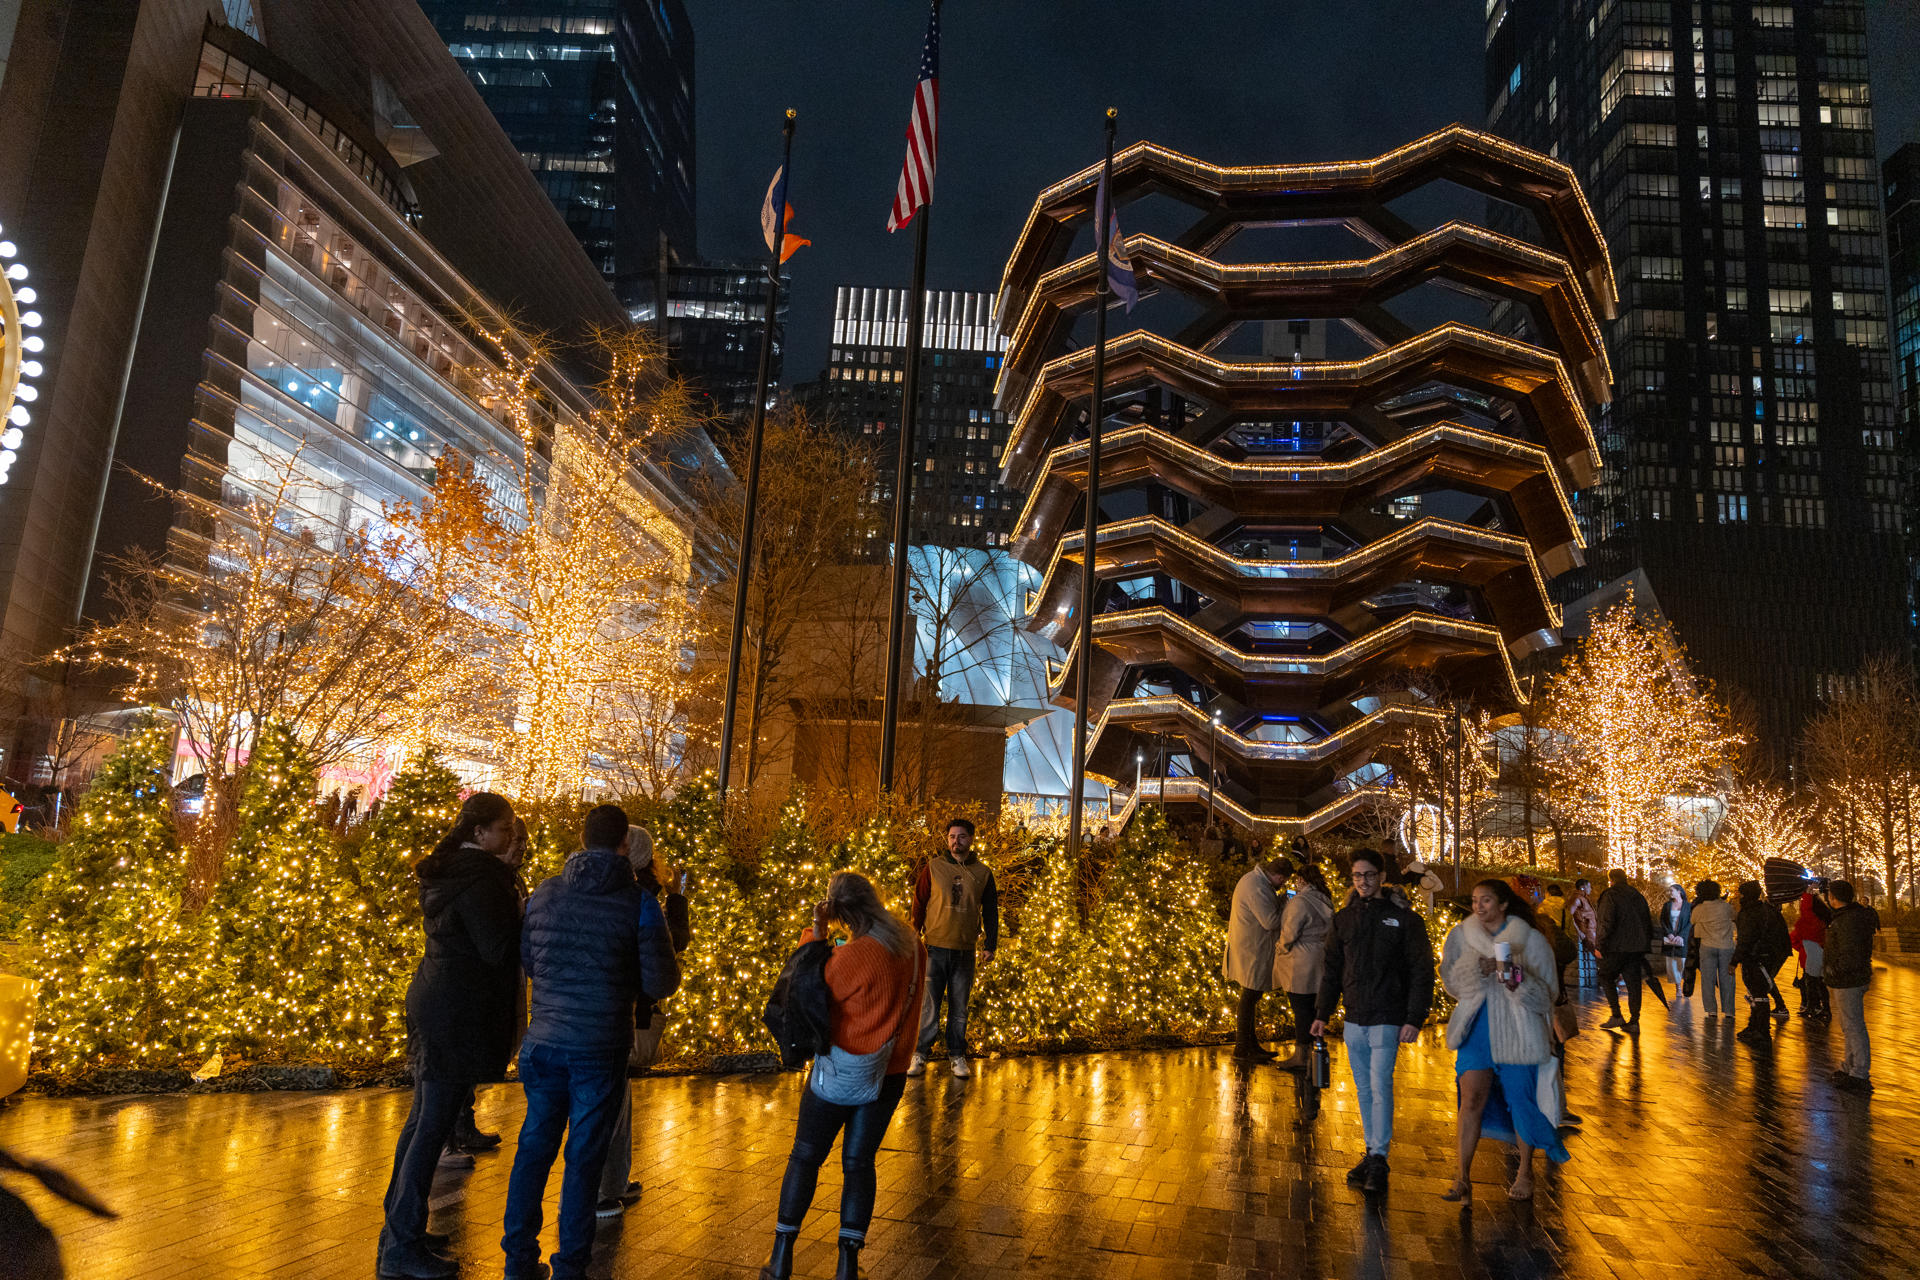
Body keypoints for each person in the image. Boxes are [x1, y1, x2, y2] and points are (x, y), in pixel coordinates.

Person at [502, 805, 681, 1280]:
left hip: (543, 1042)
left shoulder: (545, 893)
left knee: (533, 1149)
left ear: (582, 840)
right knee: (583, 1159)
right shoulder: (639, 903)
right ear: (624, 844)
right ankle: (570, 1265)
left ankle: (518, 1260)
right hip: (598, 1045)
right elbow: (661, 981)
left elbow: (530, 961)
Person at [379, 794, 525, 1280]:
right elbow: (497, 948)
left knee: (423, 1121)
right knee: (431, 1127)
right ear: (479, 832)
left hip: (436, 997)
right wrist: (525, 914)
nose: (510, 836)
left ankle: (402, 1230)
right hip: (457, 1009)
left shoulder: (453, 871)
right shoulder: (481, 877)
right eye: (504, 828)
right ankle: (400, 1245)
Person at [761, 873, 925, 1280]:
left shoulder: (853, 957)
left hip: (838, 1069)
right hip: (890, 1072)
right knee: (859, 1163)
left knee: (805, 1156)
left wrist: (815, 936)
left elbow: (805, 989)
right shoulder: (914, 948)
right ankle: (847, 1266)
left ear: (839, 913)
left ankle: (781, 1257)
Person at [1310, 849, 1435, 1194]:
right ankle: (1372, 1151)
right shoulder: (1344, 919)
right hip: (1355, 1017)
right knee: (1365, 1089)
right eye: (1357, 876)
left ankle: (1379, 1156)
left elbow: (1421, 971)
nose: (1363, 881)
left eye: (1368, 875)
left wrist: (1414, 1017)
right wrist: (1322, 1013)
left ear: (1381, 876)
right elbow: (1332, 969)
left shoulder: (1404, 920)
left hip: (1387, 1016)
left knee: (1380, 1086)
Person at [1439, 879, 1570, 1203]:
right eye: (1474, 900)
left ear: (1504, 904)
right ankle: (1462, 1177)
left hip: (1518, 1031)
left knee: (1520, 1101)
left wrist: (1512, 974)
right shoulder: (1462, 934)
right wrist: (1474, 972)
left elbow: (1547, 995)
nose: (1479, 907)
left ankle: (1525, 1171)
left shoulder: (1531, 941)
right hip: (1477, 1030)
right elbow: (1449, 980)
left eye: (1486, 900)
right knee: (1470, 1101)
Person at [596, 825, 693, 1218]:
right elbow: (669, 956)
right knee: (608, 1102)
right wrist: (679, 903)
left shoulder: (567, 890)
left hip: (573, 1014)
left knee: (607, 1100)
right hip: (619, 1009)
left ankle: (609, 1184)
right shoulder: (643, 897)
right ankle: (602, 1191)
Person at [908, 817, 998, 1080]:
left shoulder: (982, 873)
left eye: (961, 836)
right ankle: (920, 1053)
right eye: (951, 837)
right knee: (929, 1006)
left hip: (964, 950)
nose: (955, 841)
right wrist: (915, 931)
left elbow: (991, 911)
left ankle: (957, 1055)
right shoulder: (934, 867)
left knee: (959, 1008)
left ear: (971, 839)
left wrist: (990, 944)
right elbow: (920, 900)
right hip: (935, 946)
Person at [1223, 857, 1290, 1061]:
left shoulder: (1254, 880)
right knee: (1250, 996)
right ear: (1278, 876)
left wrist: (1279, 899)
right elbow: (1270, 921)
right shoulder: (1257, 887)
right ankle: (1243, 1047)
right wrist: (1286, 904)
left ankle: (1249, 1045)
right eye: (1284, 881)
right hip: (1252, 949)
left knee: (1251, 996)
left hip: (1249, 947)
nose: (1283, 885)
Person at [1273, 864, 1334, 1071]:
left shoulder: (1299, 902)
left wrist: (1280, 947)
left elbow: (1289, 932)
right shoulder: (1325, 899)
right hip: (1319, 956)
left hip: (1299, 960)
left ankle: (1301, 1055)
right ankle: (1315, 1051)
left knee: (1300, 1009)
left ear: (1303, 880)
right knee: (1314, 1008)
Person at [1823, 880, 1880, 1094]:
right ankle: (1850, 1067)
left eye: (1829, 895)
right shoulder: (1849, 916)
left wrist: (1835, 970)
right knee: (1849, 1026)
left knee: (1854, 1026)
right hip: (1849, 978)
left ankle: (1860, 1073)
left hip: (1848, 980)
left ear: (1834, 898)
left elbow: (1849, 952)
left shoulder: (1847, 921)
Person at [1595, 869, 1659, 1030]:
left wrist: (1599, 944)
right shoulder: (1637, 895)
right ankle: (1634, 1020)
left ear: (1611, 879)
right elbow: (1647, 920)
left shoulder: (1610, 895)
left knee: (1605, 975)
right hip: (1636, 948)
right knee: (1633, 983)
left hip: (1616, 946)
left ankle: (1616, 1015)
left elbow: (1606, 922)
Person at [1731, 880, 1790, 1048]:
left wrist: (1735, 960)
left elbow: (1746, 939)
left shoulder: (1749, 913)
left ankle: (1761, 1031)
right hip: (1765, 956)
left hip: (1756, 957)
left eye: (1740, 894)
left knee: (1758, 994)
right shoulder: (1764, 910)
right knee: (1757, 992)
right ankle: (1755, 1026)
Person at [1691, 880, 1736, 1018]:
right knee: (1727, 979)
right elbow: (1734, 917)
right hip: (1726, 946)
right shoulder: (1726, 907)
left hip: (1707, 945)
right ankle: (1728, 1010)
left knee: (1707, 979)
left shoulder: (1699, 909)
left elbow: (1692, 921)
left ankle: (1711, 1010)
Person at [1788, 884, 1831, 1021]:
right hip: (1816, 951)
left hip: (1813, 953)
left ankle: (1813, 1008)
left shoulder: (1811, 919)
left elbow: (1805, 909)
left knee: (1812, 982)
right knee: (1818, 982)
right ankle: (1823, 1009)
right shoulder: (1820, 920)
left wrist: (1807, 894)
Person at [1657, 883, 1692, 995]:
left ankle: (1684, 984)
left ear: (1679, 891)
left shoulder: (1688, 906)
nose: (1670, 893)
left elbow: (1690, 922)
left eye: (1672, 891)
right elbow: (1663, 920)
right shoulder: (1667, 905)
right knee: (1672, 964)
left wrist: (1681, 935)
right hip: (1670, 939)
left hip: (1682, 939)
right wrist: (1669, 933)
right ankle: (1678, 988)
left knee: (1682, 963)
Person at [1568, 879, 1599, 988]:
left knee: (1600, 953)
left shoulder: (1584, 898)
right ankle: (1610, 979)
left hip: (1592, 931)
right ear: (1582, 887)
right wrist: (1579, 932)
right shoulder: (1577, 899)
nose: (1591, 889)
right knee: (1599, 953)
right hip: (1587, 932)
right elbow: (1569, 915)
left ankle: (1609, 978)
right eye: (1589, 886)